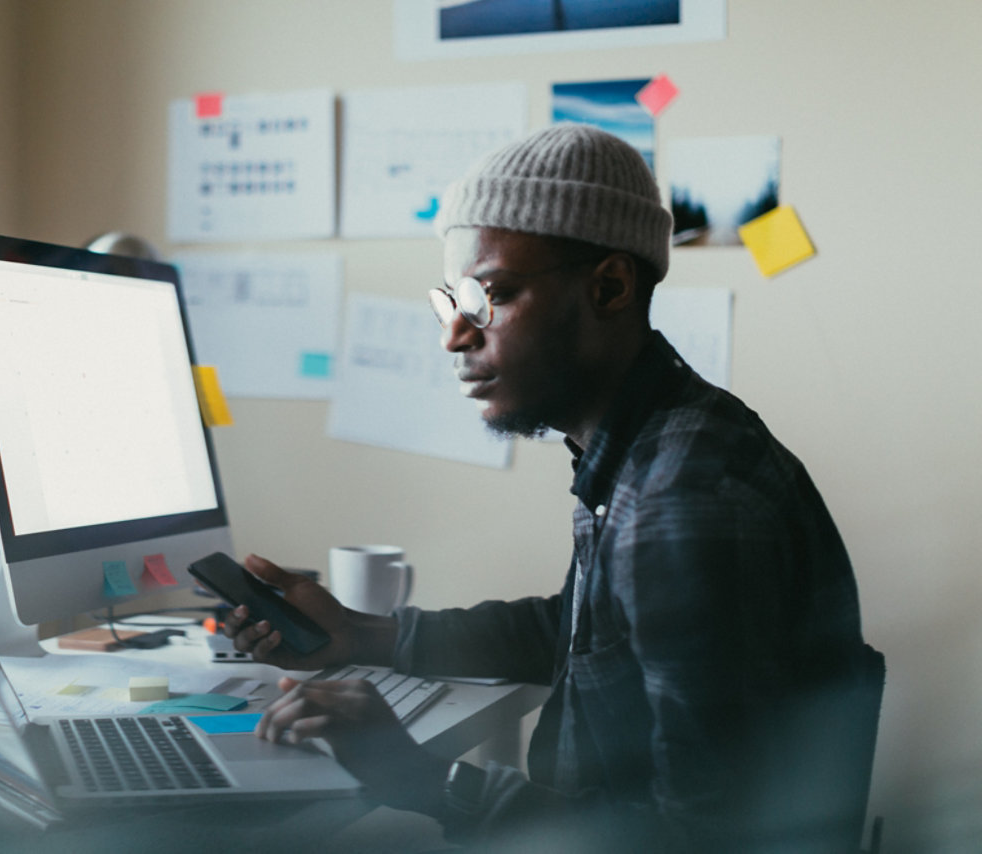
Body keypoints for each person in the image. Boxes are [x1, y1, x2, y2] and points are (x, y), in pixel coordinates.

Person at [224, 124, 869, 851]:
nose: (456, 336)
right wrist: (363, 633)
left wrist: (419, 775)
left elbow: (698, 840)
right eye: (450, 301)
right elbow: (577, 631)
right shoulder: (650, 448)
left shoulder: (684, 501)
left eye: (490, 294)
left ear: (610, 287)